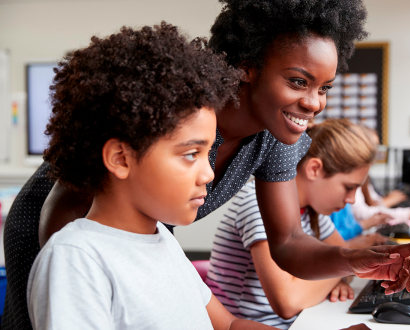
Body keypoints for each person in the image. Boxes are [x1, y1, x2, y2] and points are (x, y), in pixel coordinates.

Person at [2, 0, 410, 328]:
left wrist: (355, 258)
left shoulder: (276, 135)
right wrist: (82, 270)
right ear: (248, 67)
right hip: (59, 227)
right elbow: (65, 219)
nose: (314, 103)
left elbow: (286, 243)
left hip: (145, 238)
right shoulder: (181, 107)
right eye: (298, 81)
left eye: (324, 88)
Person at [28, 22, 288, 330]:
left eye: (208, 153)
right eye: (191, 154)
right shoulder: (76, 260)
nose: (208, 173)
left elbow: (228, 326)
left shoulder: (160, 239)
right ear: (121, 158)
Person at [207, 119, 410, 328]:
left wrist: (338, 275)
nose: (351, 199)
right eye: (348, 187)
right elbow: (288, 303)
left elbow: (341, 257)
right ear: (314, 169)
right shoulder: (258, 203)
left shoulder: (311, 211)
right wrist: (341, 271)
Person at [352, 126, 410, 223]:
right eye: (372, 146)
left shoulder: (365, 175)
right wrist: (406, 213)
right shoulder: (352, 175)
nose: (376, 152)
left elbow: (372, 202)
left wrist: (389, 200)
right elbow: (361, 213)